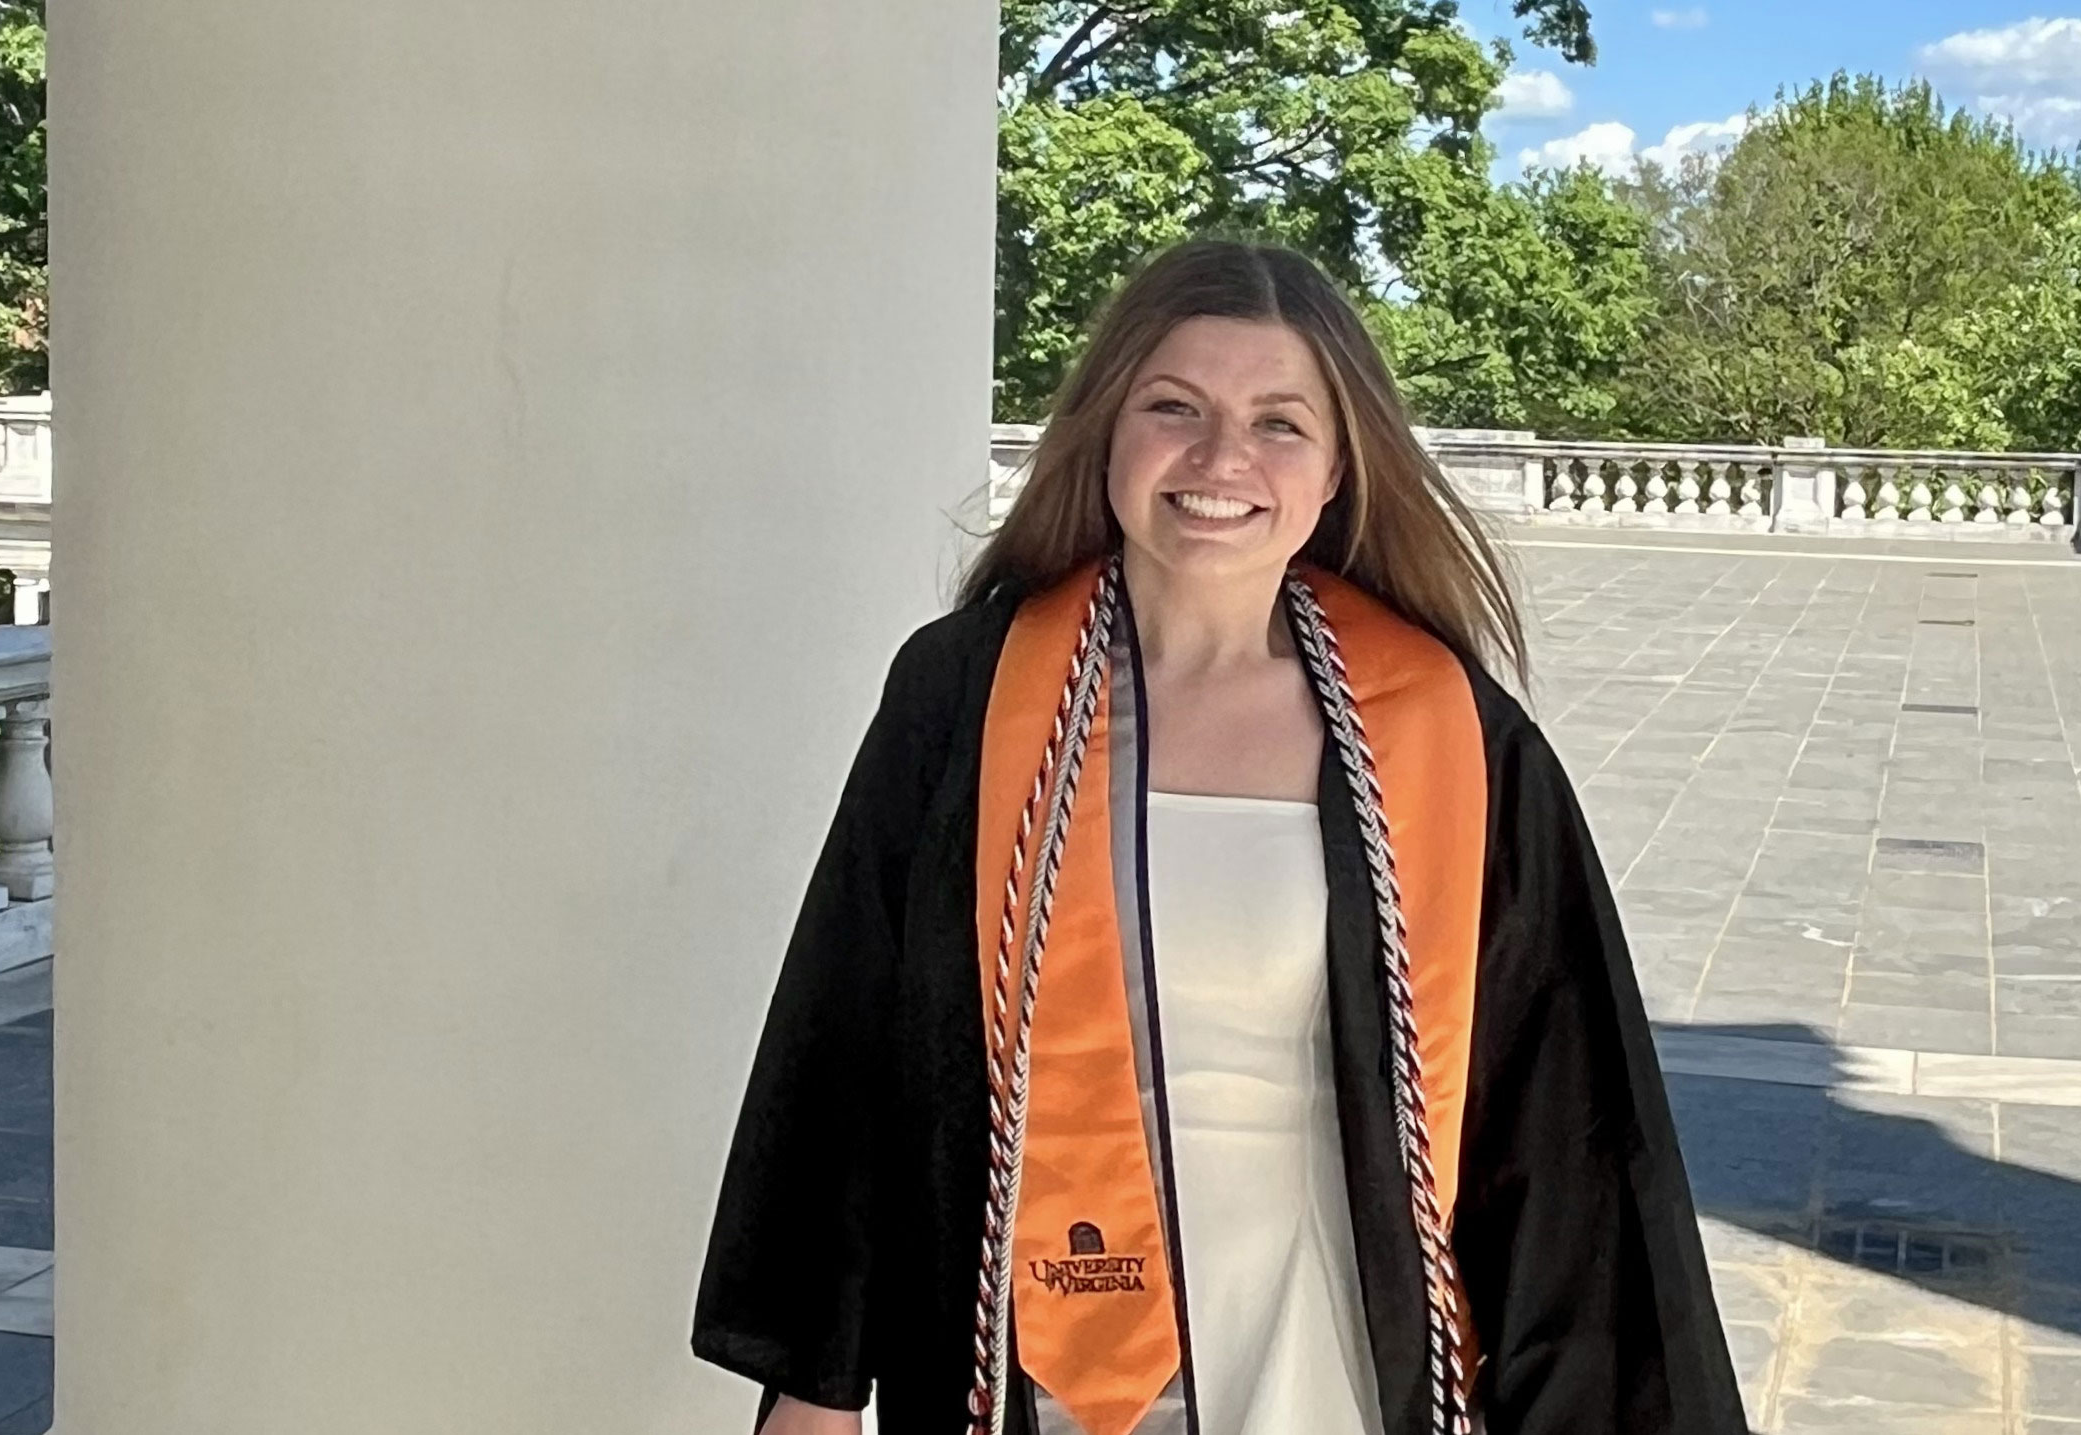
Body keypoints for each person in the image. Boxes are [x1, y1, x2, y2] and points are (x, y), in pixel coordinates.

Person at [692, 238, 1745, 1435]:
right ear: (1106, 431)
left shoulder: (1446, 734)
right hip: (1027, 1356)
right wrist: (816, 1391)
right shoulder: (971, 696)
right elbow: (850, 1042)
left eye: (1279, 422)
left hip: (1336, 1338)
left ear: (1340, 466)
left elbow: (1564, 1127)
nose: (1221, 459)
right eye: (1174, 408)